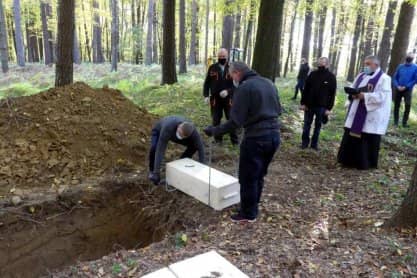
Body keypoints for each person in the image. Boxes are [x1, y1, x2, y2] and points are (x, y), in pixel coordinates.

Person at [203, 62, 281, 223]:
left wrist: (214, 130)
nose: (232, 79)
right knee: (259, 174)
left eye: (231, 76)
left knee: (247, 176)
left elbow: (235, 122)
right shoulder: (268, 83)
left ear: (237, 73)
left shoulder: (244, 88)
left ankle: (248, 214)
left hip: (256, 138)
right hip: (274, 135)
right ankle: (253, 204)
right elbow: (278, 110)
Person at [338, 56, 392, 170]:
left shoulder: (384, 78)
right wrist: (352, 93)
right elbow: (353, 87)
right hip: (356, 109)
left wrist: (364, 96)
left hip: (371, 113)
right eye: (365, 64)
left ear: (376, 65)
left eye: (368, 64)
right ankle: (347, 160)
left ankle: (364, 163)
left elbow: (382, 96)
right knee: (351, 136)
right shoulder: (361, 75)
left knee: (365, 138)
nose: (365, 66)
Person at [148, 116, 205, 185]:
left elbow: (201, 148)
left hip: (174, 134)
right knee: (154, 147)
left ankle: (180, 165)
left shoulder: (193, 132)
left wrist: (203, 168)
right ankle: (152, 171)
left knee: (194, 146)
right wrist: (156, 172)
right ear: (179, 127)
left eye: (183, 136)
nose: (180, 136)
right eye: (180, 134)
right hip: (159, 131)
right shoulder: (168, 127)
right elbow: (160, 150)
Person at [300, 57, 337, 150]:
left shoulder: (331, 77)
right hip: (309, 105)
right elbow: (305, 89)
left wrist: (329, 108)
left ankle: (314, 144)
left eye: (323, 62)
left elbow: (332, 94)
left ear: (327, 64)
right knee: (306, 125)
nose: (320, 63)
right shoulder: (312, 74)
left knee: (318, 126)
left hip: (322, 106)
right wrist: (303, 103)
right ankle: (304, 143)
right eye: (319, 61)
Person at [203, 48, 238, 145]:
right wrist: (206, 95)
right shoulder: (212, 68)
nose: (222, 58)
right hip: (215, 99)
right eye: (220, 56)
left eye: (224, 56)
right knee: (216, 119)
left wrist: (228, 91)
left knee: (231, 119)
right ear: (217, 57)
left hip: (229, 99)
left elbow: (236, 85)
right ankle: (218, 140)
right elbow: (207, 83)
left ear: (227, 57)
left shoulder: (232, 67)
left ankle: (234, 142)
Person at [392, 53, 417, 127]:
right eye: (408, 56)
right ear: (405, 57)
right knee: (396, 105)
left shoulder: (415, 67)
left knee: (407, 105)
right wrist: (397, 86)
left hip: (408, 90)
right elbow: (394, 78)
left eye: (411, 57)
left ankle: (404, 123)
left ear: (413, 59)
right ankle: (395, 122)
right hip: (398, 89)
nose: (409, 58)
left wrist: (406, 86)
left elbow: (415, 80)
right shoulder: (400, 66)